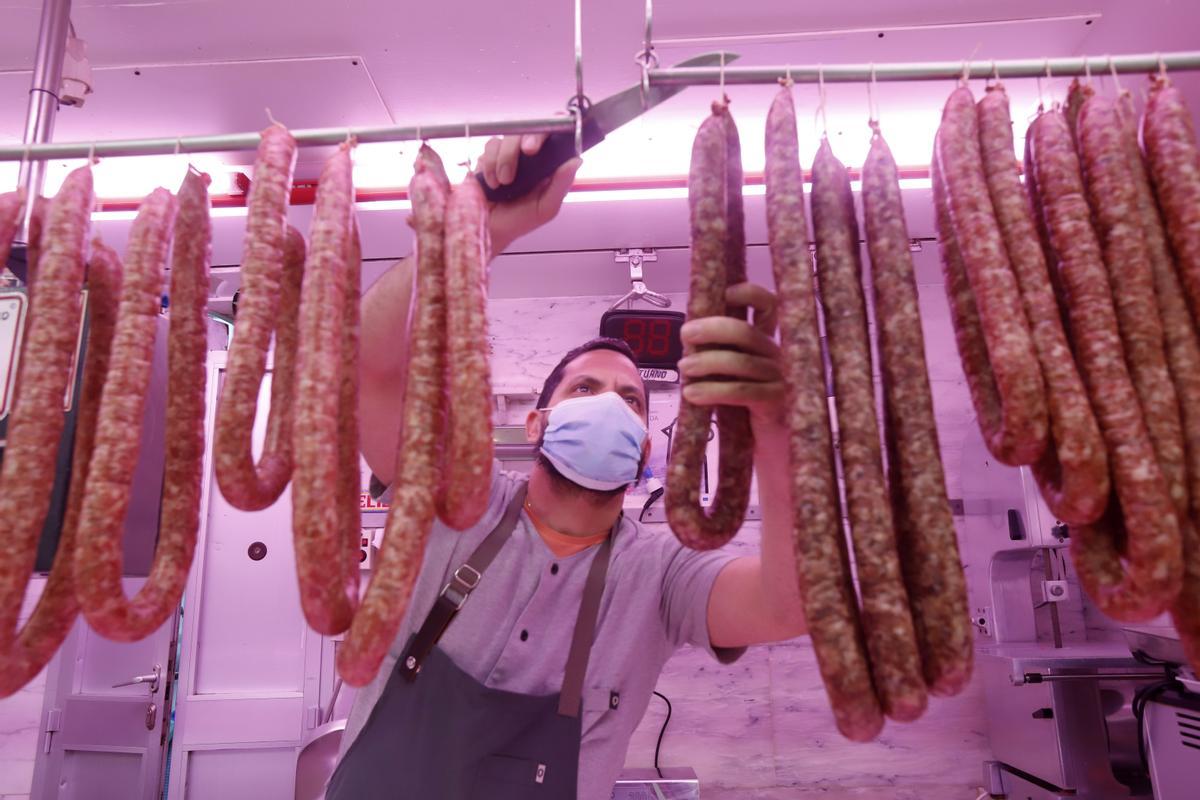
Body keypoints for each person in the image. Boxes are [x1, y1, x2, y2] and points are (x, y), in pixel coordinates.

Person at [327, 135, 806, 800]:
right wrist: (474, 233)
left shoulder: (660, 575)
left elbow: (790, 605)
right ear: (537, 422)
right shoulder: (456, 498)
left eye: (631, 401)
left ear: (645, 447)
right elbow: (370, 368)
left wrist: (779, 431)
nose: (610, 404)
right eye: (585, 390)